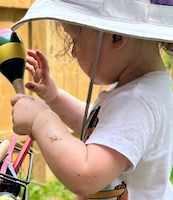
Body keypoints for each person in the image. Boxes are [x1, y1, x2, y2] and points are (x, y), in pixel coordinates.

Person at [10, 0, 173, 199]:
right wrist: (55, 98)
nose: (73, 51)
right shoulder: (142, 90)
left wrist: (40, 119)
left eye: (74, 39)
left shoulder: (138, 101)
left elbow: (86, 175)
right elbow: (100, 128)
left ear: (116, 36)